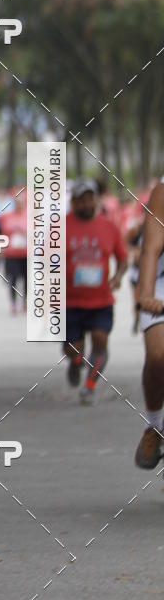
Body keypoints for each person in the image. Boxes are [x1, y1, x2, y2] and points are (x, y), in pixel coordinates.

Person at [64, 178, 127, 405]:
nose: (86, 203)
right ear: (73, 202)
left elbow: (122, 257)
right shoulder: (60, 227)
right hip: (69, 302)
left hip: (101, 300)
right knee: (73, 349)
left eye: (90, 198)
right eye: (81, 200)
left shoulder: (109, 227)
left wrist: (118, 277)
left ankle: (89, 387)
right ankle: (75, 361)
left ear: (96, 200)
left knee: (101, 339)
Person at [134, 178, 164, 469]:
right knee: (158, 355)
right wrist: (146, 293)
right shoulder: (162, 191)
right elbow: (151, 249)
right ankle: (155, 425)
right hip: (160, 288)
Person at [0, 194, 27, 313]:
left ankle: (25, 302)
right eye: (17, 203)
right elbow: (2, 232)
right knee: (13, 279)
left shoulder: (29, 216)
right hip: (11, 254)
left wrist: (24, 231)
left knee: (27, 280)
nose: (19, 205)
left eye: (21, 203)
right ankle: (13, 303)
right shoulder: (7, 217)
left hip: (26, 253)